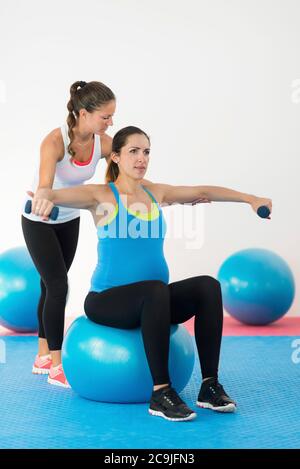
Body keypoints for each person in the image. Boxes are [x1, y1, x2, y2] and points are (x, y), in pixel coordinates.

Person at [28, 126, 272, 421]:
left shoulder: (156, 192)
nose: (141, 158)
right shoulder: (100, 195)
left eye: (146, 152)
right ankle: (160, 393)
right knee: (154, 289)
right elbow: (51, 193)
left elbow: (203, 191)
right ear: (115, 157)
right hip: (106, 301)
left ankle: (209, 386)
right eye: (133, 151)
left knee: (207, 287)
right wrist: (43, 196)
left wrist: (250, 198)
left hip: (152, 303)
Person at [22, 80, 116, 387]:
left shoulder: (101, 142)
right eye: (105, 116)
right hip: (38, 220)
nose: (110, 122)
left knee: (50, 287)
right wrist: (42, 196)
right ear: (84, 113)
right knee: (58, 285)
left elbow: (125, 159)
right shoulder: (55, 141)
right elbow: (46, 183)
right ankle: (56, 365)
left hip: (69, 219)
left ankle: (41, 355)